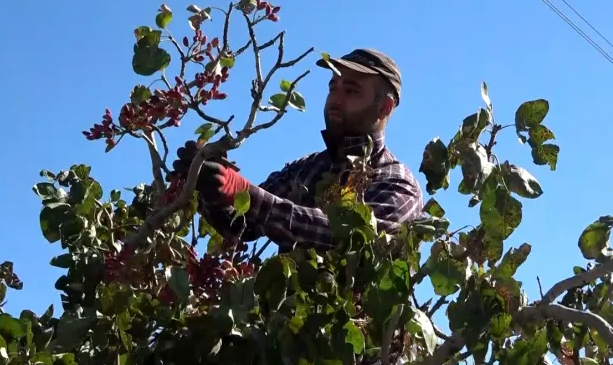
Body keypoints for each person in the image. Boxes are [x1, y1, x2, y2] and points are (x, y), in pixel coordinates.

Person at [170, 48, 424, 253]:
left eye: (351, 91)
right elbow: (241, 226)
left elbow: (347, 238)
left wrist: (242, 190)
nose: (335, 98)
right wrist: (208, 185)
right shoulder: (307, 167)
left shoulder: (397, 182)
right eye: (332, 87)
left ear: (385, 108)